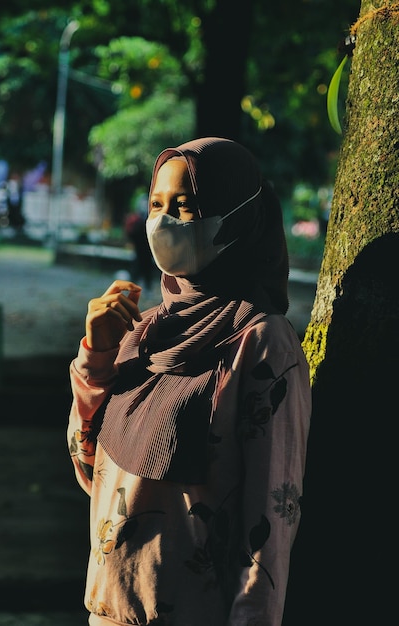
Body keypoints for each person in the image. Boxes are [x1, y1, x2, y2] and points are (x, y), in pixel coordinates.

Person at [67, 137, 311, 626]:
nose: (164, 222)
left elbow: (271, 520)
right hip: (106, 612)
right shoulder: (143, 330)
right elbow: (90, 468)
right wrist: (95, 357)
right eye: (156, 204)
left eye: (186, 205)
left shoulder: (262, 343)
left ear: (240, 216)